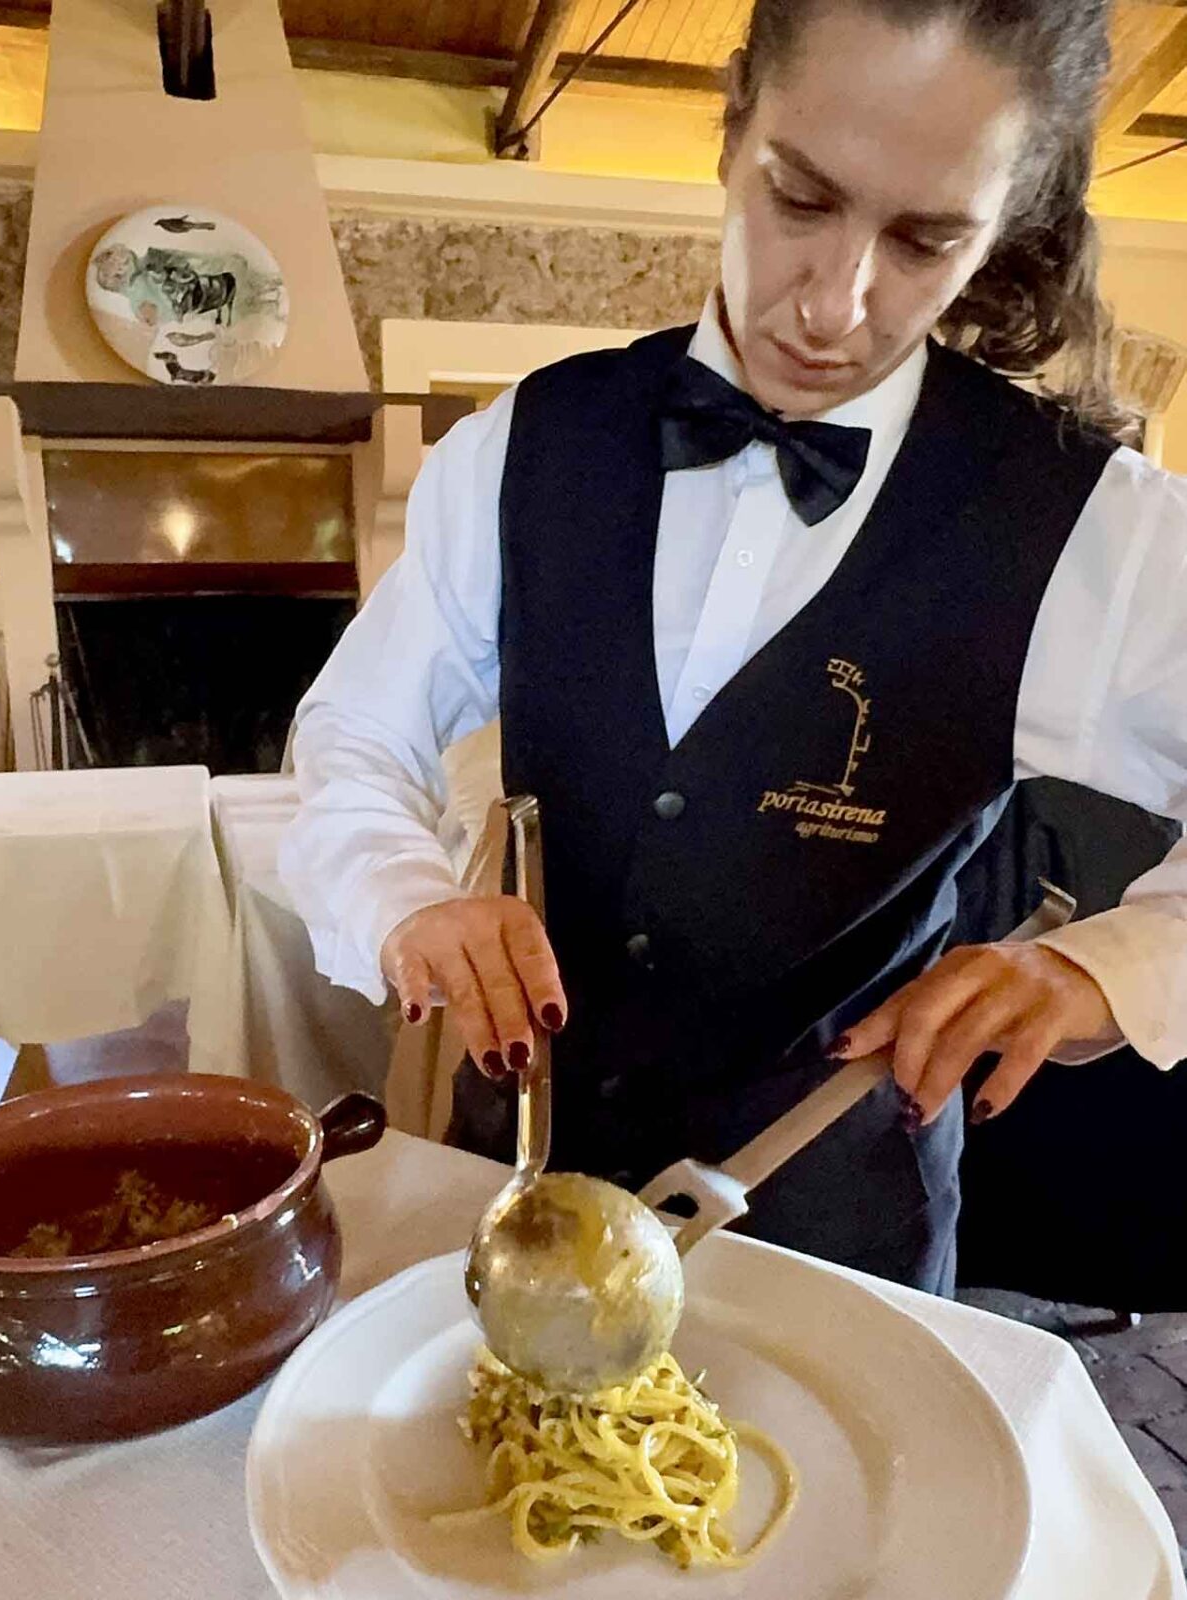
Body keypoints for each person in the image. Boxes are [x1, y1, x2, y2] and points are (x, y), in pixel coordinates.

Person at [280, 0, 1187, 1296]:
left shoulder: (1091, 531)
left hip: (838, 1247)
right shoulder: (522, 452)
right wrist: (404, 896)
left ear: (1000, 229)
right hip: (530, 1193)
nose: (837, 303)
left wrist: (1112, 972)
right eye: (800, 197)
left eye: (926, 239)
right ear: (731, 129)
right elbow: (355, 732)